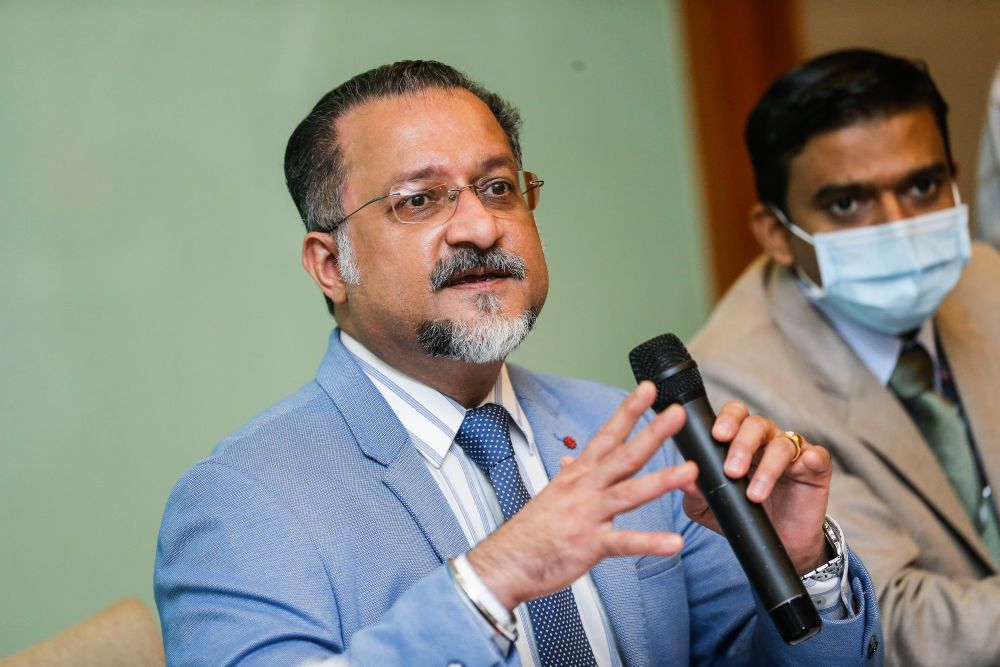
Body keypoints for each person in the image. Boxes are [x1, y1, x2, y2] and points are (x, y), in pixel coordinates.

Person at [154, 60, 881, 666]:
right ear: (329, 264)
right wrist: (492, 578)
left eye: (499, 187)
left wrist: (799, 563)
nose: (478, 225)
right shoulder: (240, 503)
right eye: (419, 200)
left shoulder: (625, 432)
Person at [690, 49, 1000, 667]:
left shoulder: (987, 279)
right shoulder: (735, 390)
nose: (899, 227)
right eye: (847, 203)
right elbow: (894, 621)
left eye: (922, 186)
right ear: (776, 233)